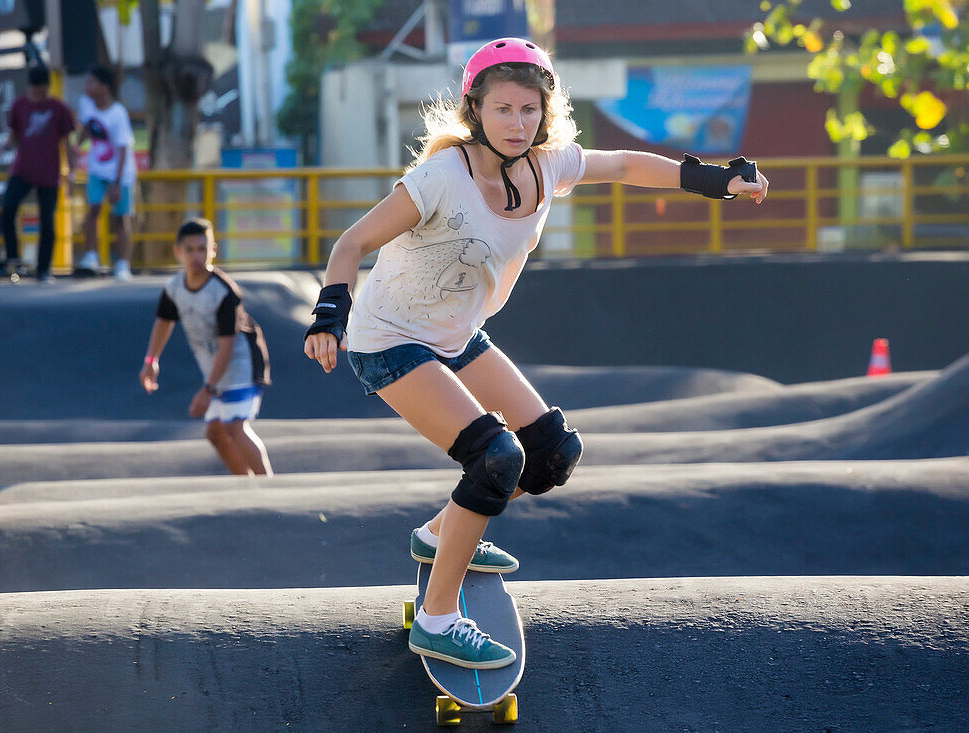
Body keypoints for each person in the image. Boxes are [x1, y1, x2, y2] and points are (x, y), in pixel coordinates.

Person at [303, 38, 769, 670]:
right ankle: (437, 619)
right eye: (502, 110)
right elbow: (351, 243)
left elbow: (627, 165)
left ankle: (439, 535)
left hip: (459, 333)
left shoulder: (549, 165)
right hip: (388, 339)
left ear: (545, 113)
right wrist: (330, 314)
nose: (518, 124)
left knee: (551, 453)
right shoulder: (440, 177)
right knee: (496, 458)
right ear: (475, 112)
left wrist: (715, 179)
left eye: (529, 110)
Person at [140, 218, 273, 476]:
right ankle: (245, 486)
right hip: (216, 369)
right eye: (189, 250)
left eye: (202, 249)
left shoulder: (223, 292)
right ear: (178, 252)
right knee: (214, 433)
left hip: (242, 364)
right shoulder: (174, 288)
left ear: (213, 250)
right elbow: (164, 321)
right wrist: (151, 360)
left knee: (235, 426)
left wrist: (209, 389)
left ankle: (267, 486)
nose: (196, 256)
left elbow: (228, 344)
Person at [1, 65, 76, 283]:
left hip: (49, 172)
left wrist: (70, 174)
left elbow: (68, 144)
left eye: (41, 91)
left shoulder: (59, 108)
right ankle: (13, 261)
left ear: (47, 88)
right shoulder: (20, 105)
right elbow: (14, 136)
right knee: (7, 209)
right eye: (34, 91)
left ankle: (44, 269)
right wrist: (0, 147)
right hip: (22, 169)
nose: (37, 96)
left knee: (47, 220)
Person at [74, 65, 136, 281]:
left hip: (120, 172)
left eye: (92, 82)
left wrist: (117, 183)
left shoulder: (118, 113)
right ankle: (91, 256)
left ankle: (122, 264)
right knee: (93, 211)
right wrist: (77, 147)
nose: (87, 86)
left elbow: (123, 149)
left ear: (104, 86)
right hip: (96, 168)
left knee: (121, 217)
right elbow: (88, 128)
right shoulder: (86, 104)